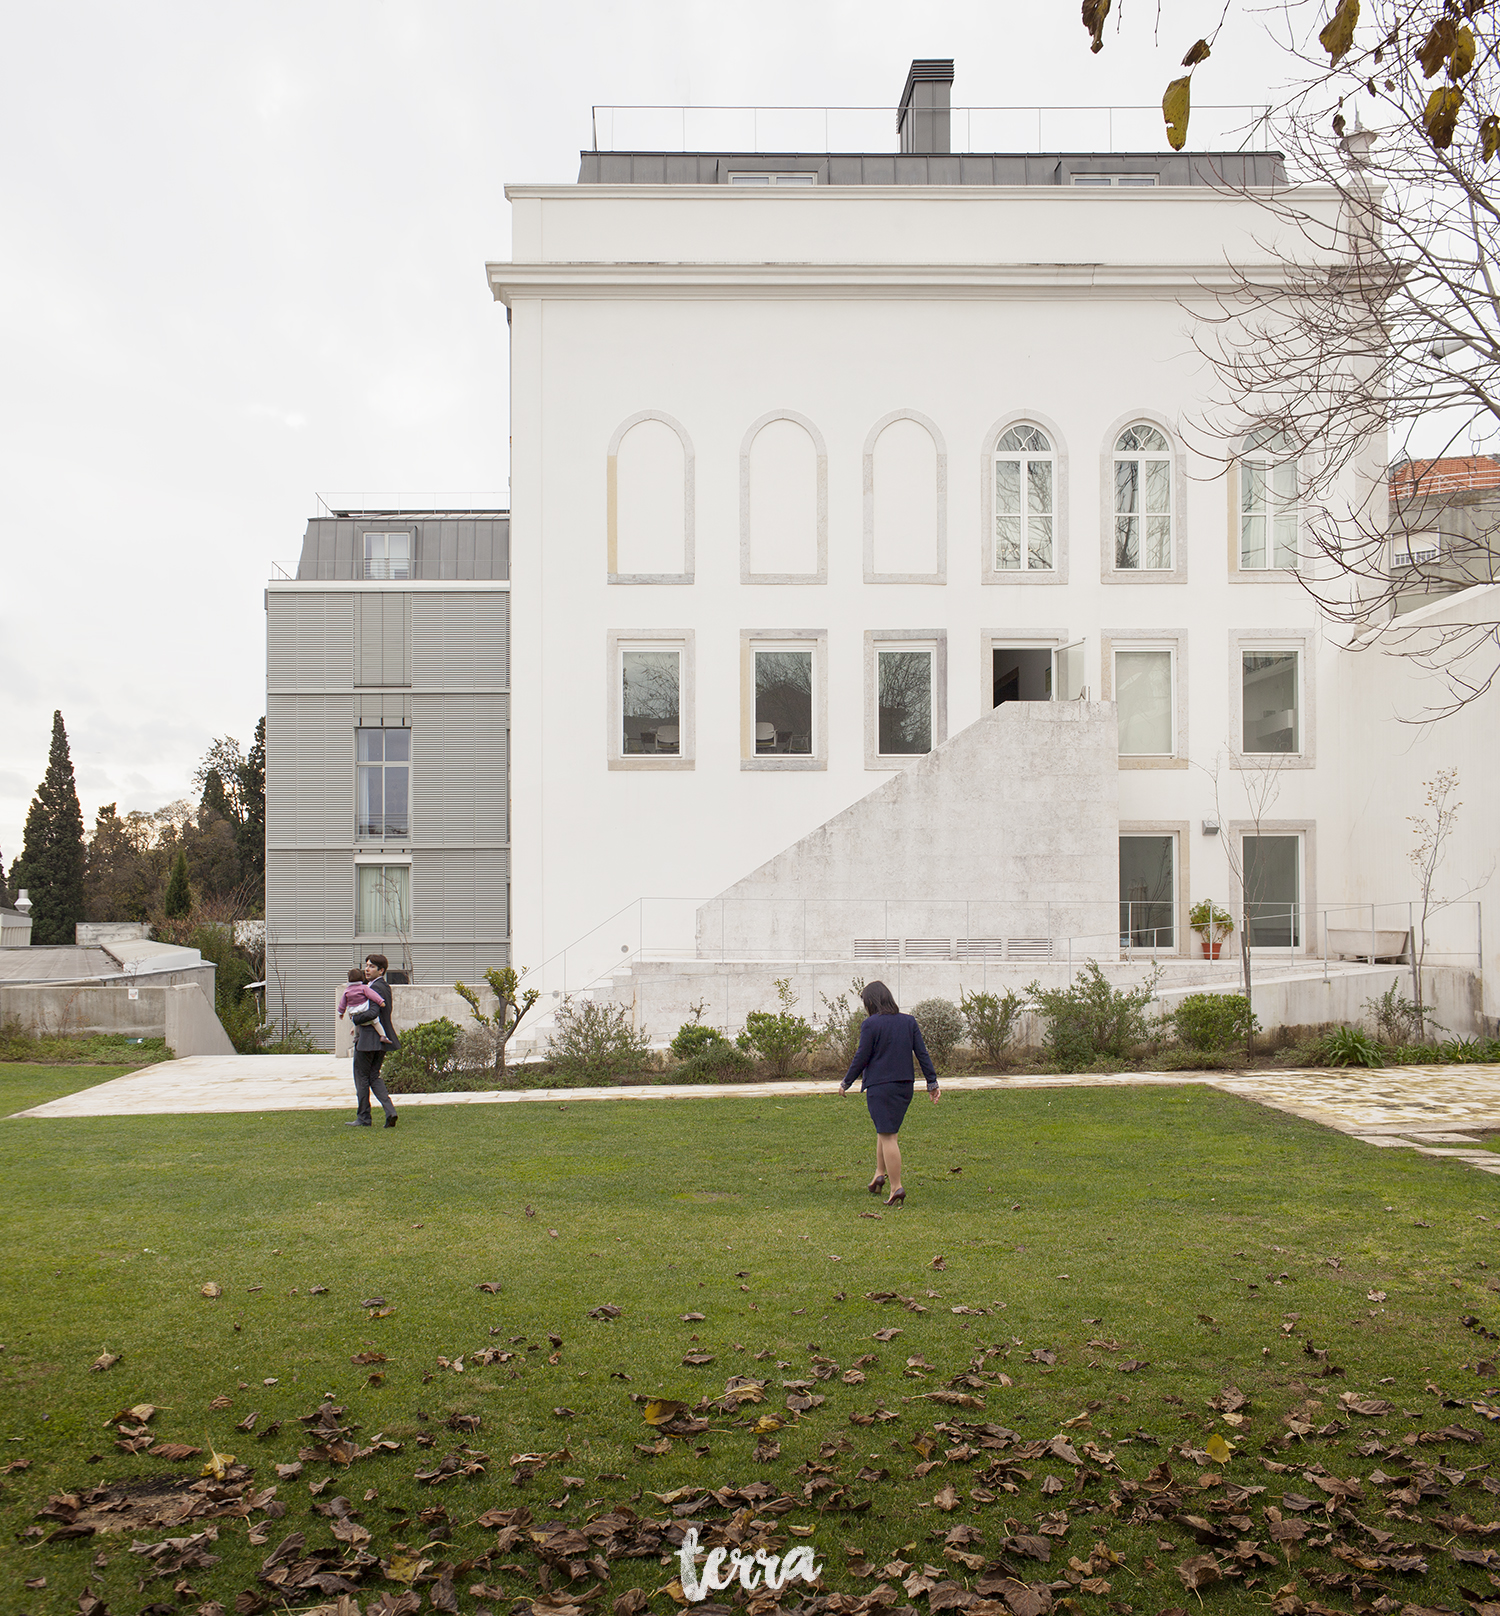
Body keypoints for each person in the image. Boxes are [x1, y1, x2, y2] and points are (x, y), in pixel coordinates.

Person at [838, 981, 939, 1206]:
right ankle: (878, 1174)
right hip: (904, 1087)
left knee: (888, 1136)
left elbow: (861, 1056)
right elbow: (922, 1053)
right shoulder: (908, 1021)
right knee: (884, 1130)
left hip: (880, 1087)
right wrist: (932, 1083)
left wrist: (846, 1082)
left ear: (871, 1002)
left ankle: (896, 1187)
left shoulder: (871, 1024)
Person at [348, 954, 400, 1129]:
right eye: (366, 965)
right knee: (374, 1076)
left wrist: (355, 1019)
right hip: (381, 1039)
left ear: (381, 970)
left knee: (361, 1078)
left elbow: (373, 1013)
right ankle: (390, 1111)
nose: (367, 969)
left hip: (368, 1041)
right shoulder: (384, 987)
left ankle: (364, 1118)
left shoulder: (375, 988)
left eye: (371, 966)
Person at [337, 968, 390, 1043]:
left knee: (356, 1022)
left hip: (353, 1011)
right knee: (375, 1022)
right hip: (364, 1009)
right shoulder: (363, 988)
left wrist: (341, 1013)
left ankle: (356, 1037)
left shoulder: (347, 990)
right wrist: (380, 1002)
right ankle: (383, 1035)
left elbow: (342, 1003)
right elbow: (373, 995)